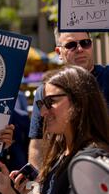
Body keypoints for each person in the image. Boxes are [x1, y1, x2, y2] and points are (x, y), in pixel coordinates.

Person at [0, 66, 109, 194]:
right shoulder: (61, 155)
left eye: (51, 102)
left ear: (78, 101)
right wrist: (8, 192)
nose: (43, 112)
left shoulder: (88, 163)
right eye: (41, 104)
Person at [29, 29, 109, 170]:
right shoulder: (45, 91)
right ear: (59, 52)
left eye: (85, 43)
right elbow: (38, 145)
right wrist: (38, 183)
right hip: (66, 175)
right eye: (71, 45)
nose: (79, 49)